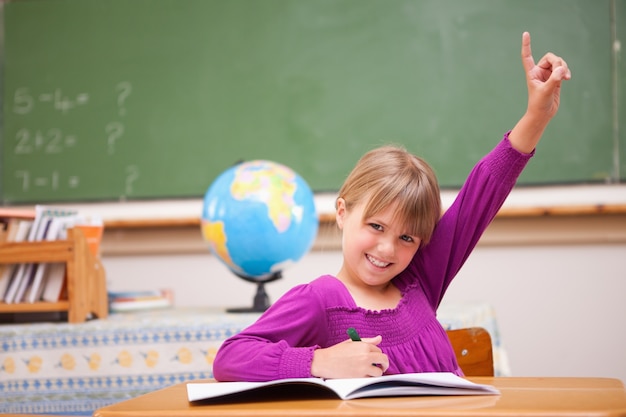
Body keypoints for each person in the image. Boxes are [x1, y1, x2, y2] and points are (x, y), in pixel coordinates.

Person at [213, 32, 571, 382]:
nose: (388, 249)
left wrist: (536, 116)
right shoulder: (319, 301)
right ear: (342, 212)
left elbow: (483, 192)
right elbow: (230, 358)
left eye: (407, 238)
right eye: (376, 227)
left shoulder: (421, 278)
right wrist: (318, 361)